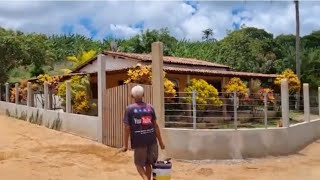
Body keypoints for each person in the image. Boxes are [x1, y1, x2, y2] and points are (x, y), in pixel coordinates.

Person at [121, 85, 165, 180]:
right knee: (148, 163)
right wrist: (161, 143)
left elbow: (127, 128)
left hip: (139, 141)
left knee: (138, 164)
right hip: (152, 140)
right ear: (143, 95)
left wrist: (125, 145)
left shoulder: (129, 109)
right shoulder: (150, 107)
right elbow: (155, 126)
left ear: (132, 96)